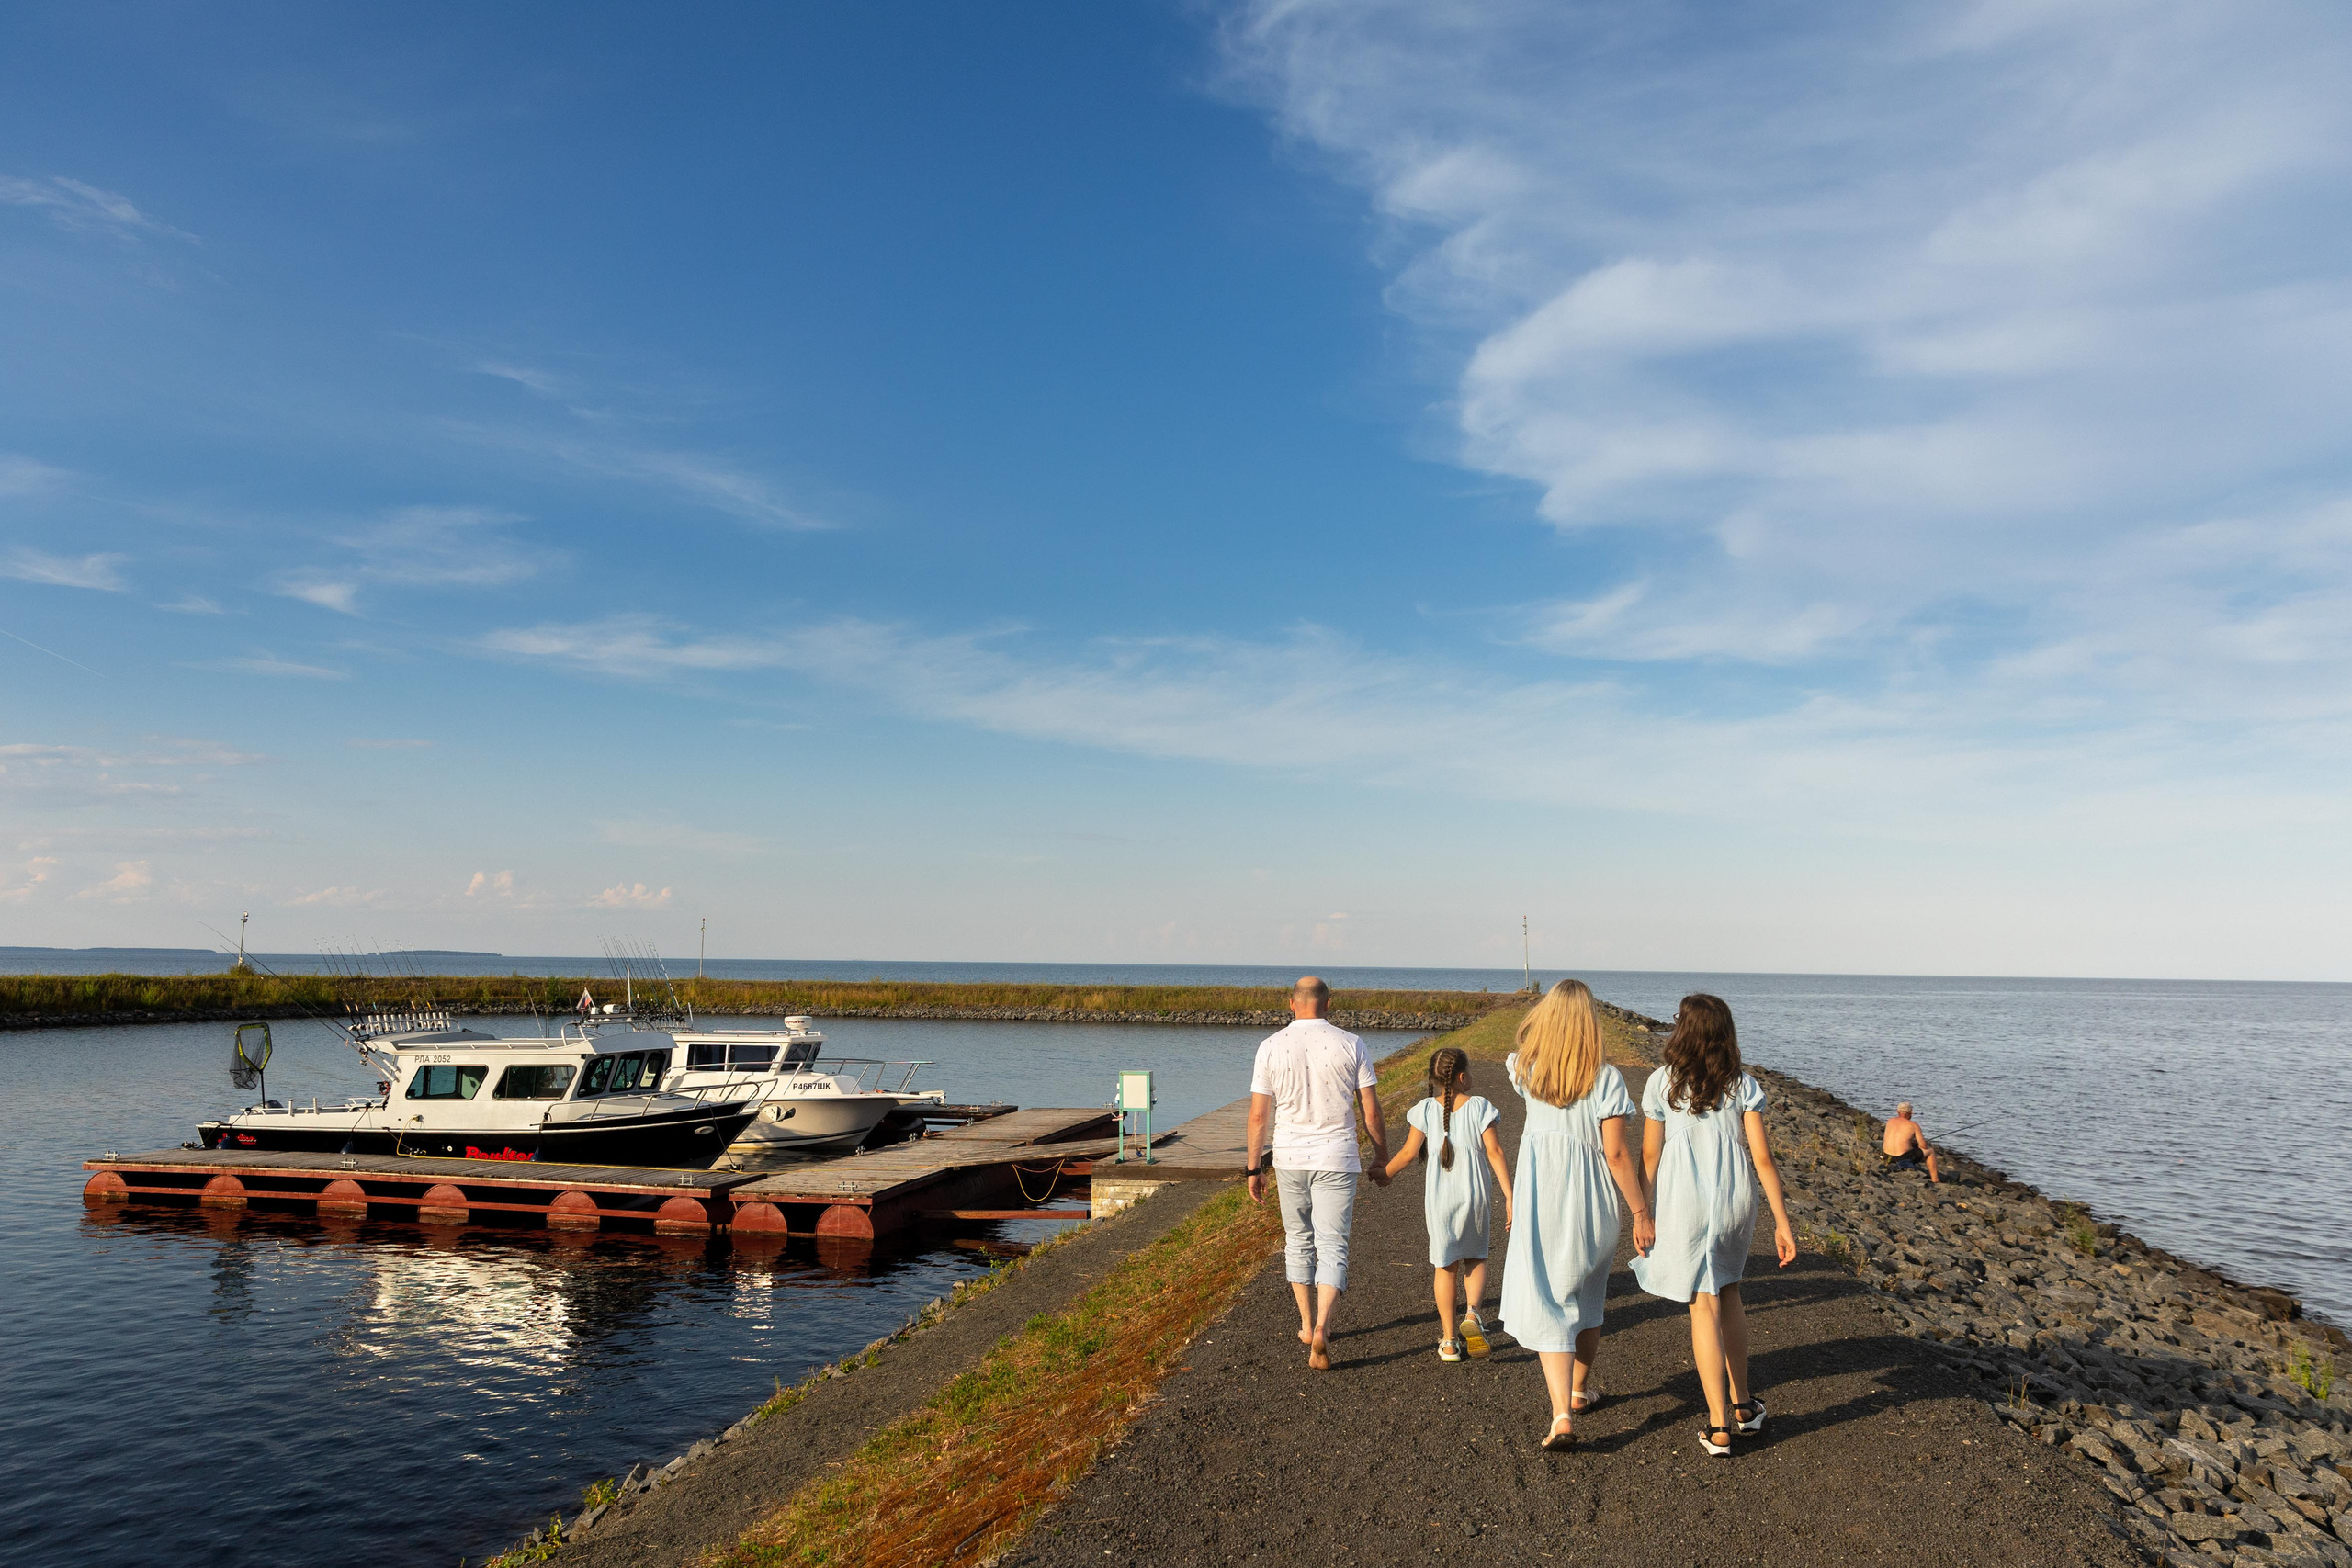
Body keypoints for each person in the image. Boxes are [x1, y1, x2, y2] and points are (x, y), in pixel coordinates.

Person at [1632, 993, 1798, 1459]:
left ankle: (1719, 1426)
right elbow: (1761, 1157)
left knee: (1701, 1306)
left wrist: (1642, 1212)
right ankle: (1743, 1405)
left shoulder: (1661, 1083)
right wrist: (1783, 1225)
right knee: (1729, 1292)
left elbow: (1651, 1153)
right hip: (1733, 1198)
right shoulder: (1741, 1083)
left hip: (1685, 1198)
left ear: (1681, 1030)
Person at [1498, 978, 1654, 1451]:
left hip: (1542, 1196)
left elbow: (1521, 1044)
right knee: (1588, 1293)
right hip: (1593, 1200)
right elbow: (1616, 1155)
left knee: (1550, 1297)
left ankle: (1562, 1413)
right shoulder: (1606, 1079)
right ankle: (1579, 1390)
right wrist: (1641, 1210)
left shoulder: (1527, 1069)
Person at [1246, 975, 1389, 1371]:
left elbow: (1259, 1115)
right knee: (1333, 1243)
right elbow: (1371, 1111)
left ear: (1292, 1005)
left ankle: (1307, 1325)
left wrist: (1253, 1168)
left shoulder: (1270, 1046)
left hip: (1290, 1158)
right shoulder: (1350, 1043)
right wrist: (1382, 1156)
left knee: (1298, 1240)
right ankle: (1325, 1326)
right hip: (1337, 1158)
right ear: (1329, 1004)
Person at [1380, 1046, 1515, 1362]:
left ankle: (1450, 1340)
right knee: (1476, 1257)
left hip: (1439, 1200)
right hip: (1475, 1195)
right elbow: (1495, 1152)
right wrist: (1510, 1195)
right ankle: (1472, 1315)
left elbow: (1408, 1154)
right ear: (1463, 1076)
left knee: (1445, 1266)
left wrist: (1384, 1173)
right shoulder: (1480, 1106)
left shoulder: (1425, 1109)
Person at [1882, 1101, 1940, 1182]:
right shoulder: (1913, 1125)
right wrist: (1916, 1144)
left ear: (1898, 1111)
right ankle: (1935, 1179)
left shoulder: (1890, 1121)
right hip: (1901, 1158)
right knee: (1930, 1152)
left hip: (1886, 1155)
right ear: (1910, 1112)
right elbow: (1923, 1146)